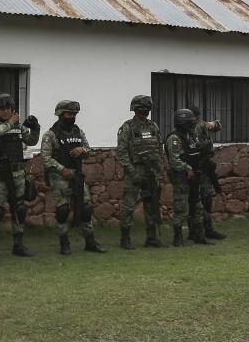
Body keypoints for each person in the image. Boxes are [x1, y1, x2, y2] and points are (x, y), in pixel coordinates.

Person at [0, 93, 40, 262]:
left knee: (19, 209)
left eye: (9, 109)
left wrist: (35, 127)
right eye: (2, 109)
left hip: (18, 173)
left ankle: (18, 245)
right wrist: (10, 123)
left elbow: (31, 141)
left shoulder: (16, 126)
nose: (6, 112)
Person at [40, 100, 107, 255]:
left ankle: (90, 242)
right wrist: (62, 169)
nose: (72, 117)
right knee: (63, 210)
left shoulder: (78, 131)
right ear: (60, 114)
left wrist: (81, 149)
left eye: (74, 115)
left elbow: (88, 150)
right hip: (60, 177)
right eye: (69, 114)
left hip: (77, 175)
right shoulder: (50, 135)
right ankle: (64, 243)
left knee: (86, 208)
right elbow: (45, 158)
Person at [116, 94, 164, 250]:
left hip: (151, 171)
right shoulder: (127, 127)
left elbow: (159, 147)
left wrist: (158, 169)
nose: (145, 110)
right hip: (135, 170)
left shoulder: (153, 126)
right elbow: (122, 153)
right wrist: (132, 172)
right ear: (135, 109)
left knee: (151, 204)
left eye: (147, 107)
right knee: (129, 206)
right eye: (142, 107)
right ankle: (125, 239)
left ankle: (151, 238)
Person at [165, 108, 213, 247]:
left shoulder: (191, 135)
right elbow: (174, 160)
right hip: (181, 176)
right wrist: (188, 169)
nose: (193, 124)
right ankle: (177, 237)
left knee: (196, 205)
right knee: (181, 206)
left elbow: (196, 149)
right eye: (190, 121)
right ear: (182, 122)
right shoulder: (174, 138)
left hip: (194, 174)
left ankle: (198, 235)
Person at [189, 107, 226, 240]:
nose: (196, 120)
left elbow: (217, 126)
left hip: (205, 165)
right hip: (193, 166)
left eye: (197, 117)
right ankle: (193, 230)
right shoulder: (185, 129)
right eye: (194, 117)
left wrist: (214, 123)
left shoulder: (201, 125)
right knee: (193, 199)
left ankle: (208, 229)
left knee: (206, 198)